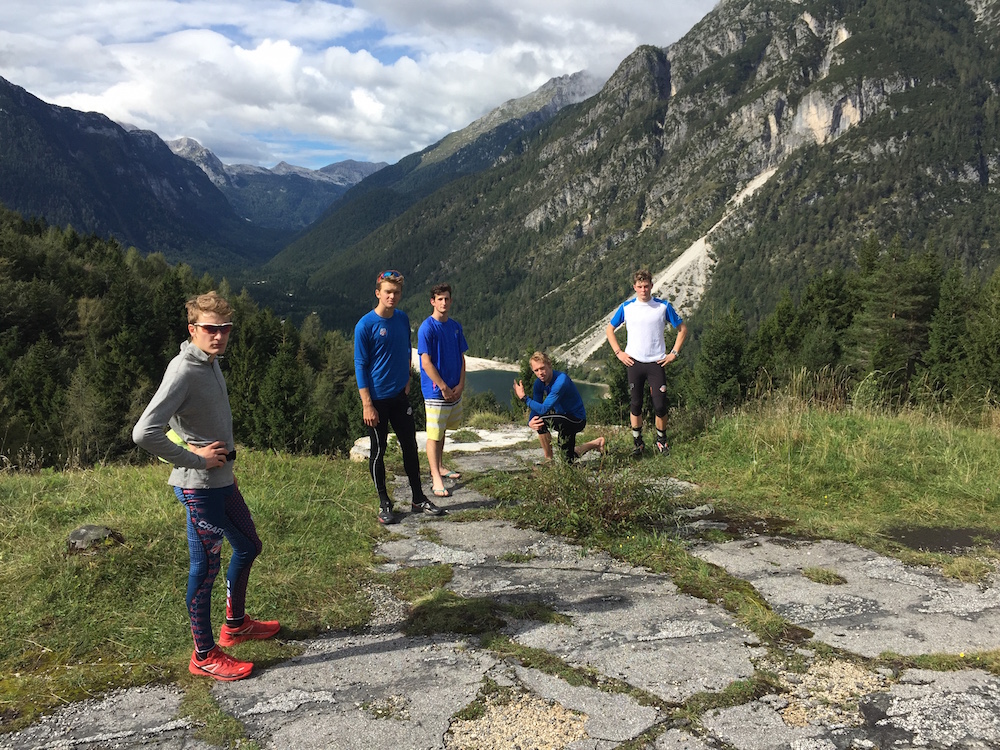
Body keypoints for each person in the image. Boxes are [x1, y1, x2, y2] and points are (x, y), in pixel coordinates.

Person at [133, 291, 279, 683]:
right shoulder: (183, 369)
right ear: (193, 329)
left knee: (249, 544)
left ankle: (235, 625)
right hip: (198, 487)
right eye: (211, 329)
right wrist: (195, 458)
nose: (219, 336)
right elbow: (144, 432)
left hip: (221, 481)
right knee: (205, 567)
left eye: (225, 328)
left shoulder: (210, 362)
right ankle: (203, 654)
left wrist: (220, 465)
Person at [355, 269, 445, 524]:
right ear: (378, 293)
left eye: (396, 292)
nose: (392, 296)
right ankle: (384, 502)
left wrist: (407, 377)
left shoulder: (402, 319)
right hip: (377, 401)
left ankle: (418, 497)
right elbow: (360, 365)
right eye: (387, 292)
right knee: (378, 450)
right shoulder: (365, 325)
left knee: (410, 446)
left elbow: (407, 347)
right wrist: (367, 404)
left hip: (399, 397)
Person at [605, 269, 688, 457]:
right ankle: (638, 443)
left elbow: (682, 329)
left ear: (651, 285)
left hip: (656, 363)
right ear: (634, 287)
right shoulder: (626, 307)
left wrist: (673, 353)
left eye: (646, 286)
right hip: (634, 362)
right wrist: (619, 352)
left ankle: (661, 440)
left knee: (660, 405)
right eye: (639, 286)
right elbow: (610, 329)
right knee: (635, 404)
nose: (643, 289)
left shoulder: (662, 307)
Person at [418, 283, 468, 498]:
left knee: (443, 430)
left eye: (447, 299)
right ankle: (435, 478)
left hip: (454, 389)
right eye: (440, 299)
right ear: (433, 302)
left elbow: (461, 357)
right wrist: (444, 387)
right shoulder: (427, 328)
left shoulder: (455, 326)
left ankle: (439, 466)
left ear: (451, 300)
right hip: (436, 392)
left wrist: (461, 384)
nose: (444, 303)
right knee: (434, 434)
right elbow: (426, 362)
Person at [513, 351, 605, 463]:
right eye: (536, 370)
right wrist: (530, 421)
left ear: (549, 365)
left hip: (576, 420)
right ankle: (597, 442)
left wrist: (524, 398)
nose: (540, 373)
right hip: (562, 418)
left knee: (541, 421)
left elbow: (543, 409)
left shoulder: (561, 380)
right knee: (567, 460)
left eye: (542, 368)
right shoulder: (539, 384)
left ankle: (548, 460)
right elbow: (536, 409)